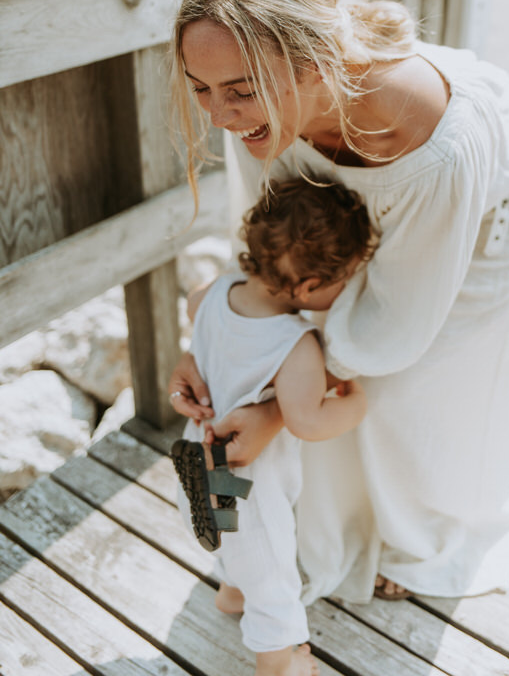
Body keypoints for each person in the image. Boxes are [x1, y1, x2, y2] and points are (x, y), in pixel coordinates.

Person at [168, 0, 509, 603]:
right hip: (354, 224)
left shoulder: (428, 139)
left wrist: (279, 407)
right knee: (351, 373)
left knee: (422, 392)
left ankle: (425, 543)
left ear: (314, 61)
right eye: (201, 90)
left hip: (495, 224)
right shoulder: (257, 117)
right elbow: (267, 255)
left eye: (239, 91)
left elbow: (393, 328)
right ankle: (343, 527)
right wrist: (210, 349)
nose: (217, 114)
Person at [172, 176, 372, 676]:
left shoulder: (213, 293)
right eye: (342, 280)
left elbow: (194, 307)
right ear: (307, 287)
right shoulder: (297, 343)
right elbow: (306, 420)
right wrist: (358, 403)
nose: (345, 289)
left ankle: (231, 591)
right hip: (249, 489)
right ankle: (278, 665)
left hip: (198, 459)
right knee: (274, 577)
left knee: (234, 549)